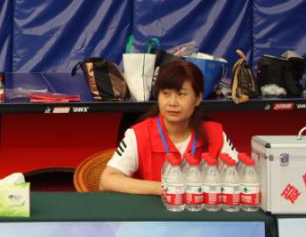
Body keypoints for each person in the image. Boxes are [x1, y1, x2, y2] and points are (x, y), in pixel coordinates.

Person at [100, 60, 238, 195]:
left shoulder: (216, 133)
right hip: (155, 208)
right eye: (166, 93)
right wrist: (163, 188)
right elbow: (107, 180)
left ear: (197, 98)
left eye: (181, 94)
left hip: (200, 208)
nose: (172, 102)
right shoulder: (138, 135)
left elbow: (239, 176)